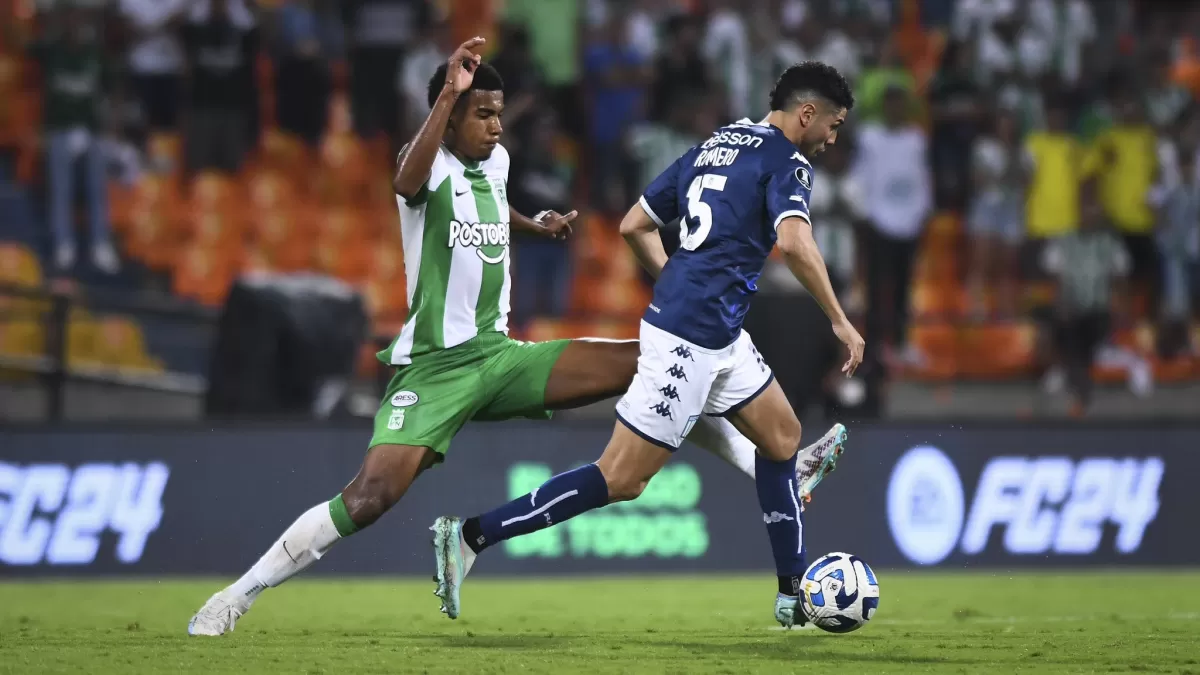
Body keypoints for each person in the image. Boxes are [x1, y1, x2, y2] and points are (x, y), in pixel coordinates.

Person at [186, 41, 849, 636]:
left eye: (499, 113)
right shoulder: (423, 169)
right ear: (449, 118)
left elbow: (489, 208)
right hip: (435, 369)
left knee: (657, 355)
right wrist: (448, 90)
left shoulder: (496, 162)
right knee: (368, 498)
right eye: (482, 114)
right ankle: (235, 595)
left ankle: (778, 466)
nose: (498, 127)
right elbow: (404, 182)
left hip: (498, 355)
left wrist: (535, 224)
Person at [431, 61, 863, 630]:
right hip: (689, 338)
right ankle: (471, 536)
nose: (832, 139)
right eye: (832, 125)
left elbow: (635, 223)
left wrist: (675, 281)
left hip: (718, 330)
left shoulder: (717, 144)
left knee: (782, 437)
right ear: (807, 113)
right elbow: (795, 242)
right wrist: (839, 320)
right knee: (621, 479)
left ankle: (791, 597)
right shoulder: (787, 162)